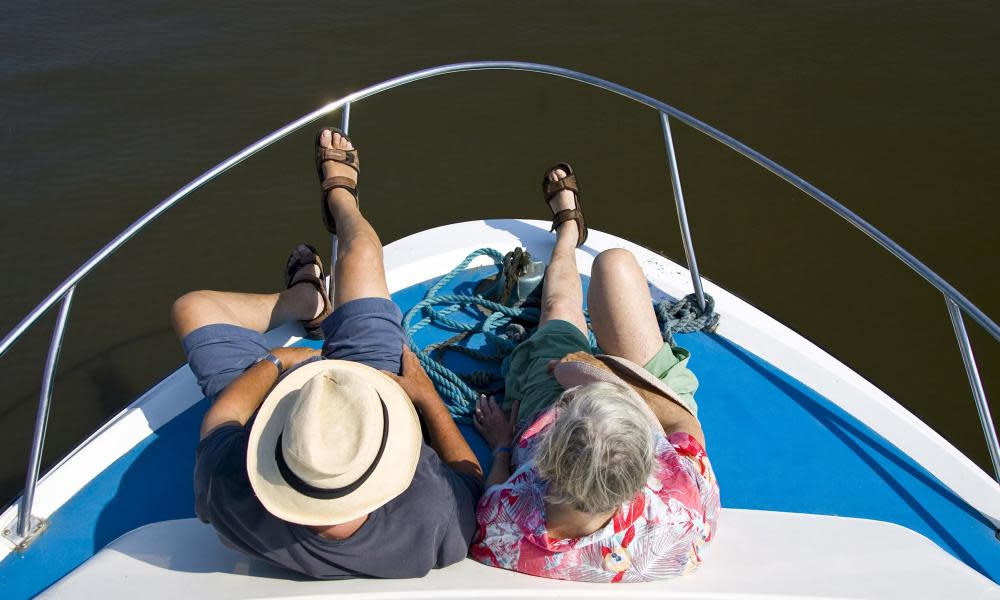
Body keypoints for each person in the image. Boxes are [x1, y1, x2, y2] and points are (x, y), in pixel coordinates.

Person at [171, 128, 483, 579]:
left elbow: (221, 420)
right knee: (358, 255)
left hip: (290, 404)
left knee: (192, 307)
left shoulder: (230, 491)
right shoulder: (435, 516)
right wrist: (423, 393)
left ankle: (307, 301)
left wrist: (278, 362)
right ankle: (342, 196)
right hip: (363, 397)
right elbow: (469, 475)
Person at [469, 163, 720, 583]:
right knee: (616, 265)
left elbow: (498, 483)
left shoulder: (504, 528)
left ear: (543, 458)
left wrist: (501, 446)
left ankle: (566, 237)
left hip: (603, 411)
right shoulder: (680, 511)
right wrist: (609, 378)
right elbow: (682, 420)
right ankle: (572, 235)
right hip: (654, 403)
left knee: (561, 313)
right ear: (649, 468)